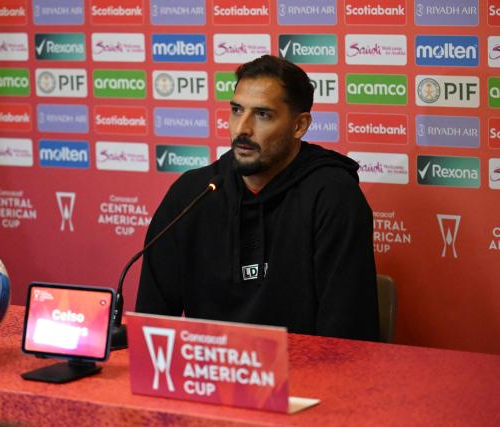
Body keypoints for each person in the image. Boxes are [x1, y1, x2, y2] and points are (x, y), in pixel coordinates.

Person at [136, 55, 379, 341]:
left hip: (304, 380)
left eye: (262, 114)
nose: (242, 129)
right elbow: (152, 324)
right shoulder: (192, 194)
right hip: (207, 377)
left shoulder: (333, 197)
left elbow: (347, 337)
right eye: (237, 110)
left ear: (299, 126)